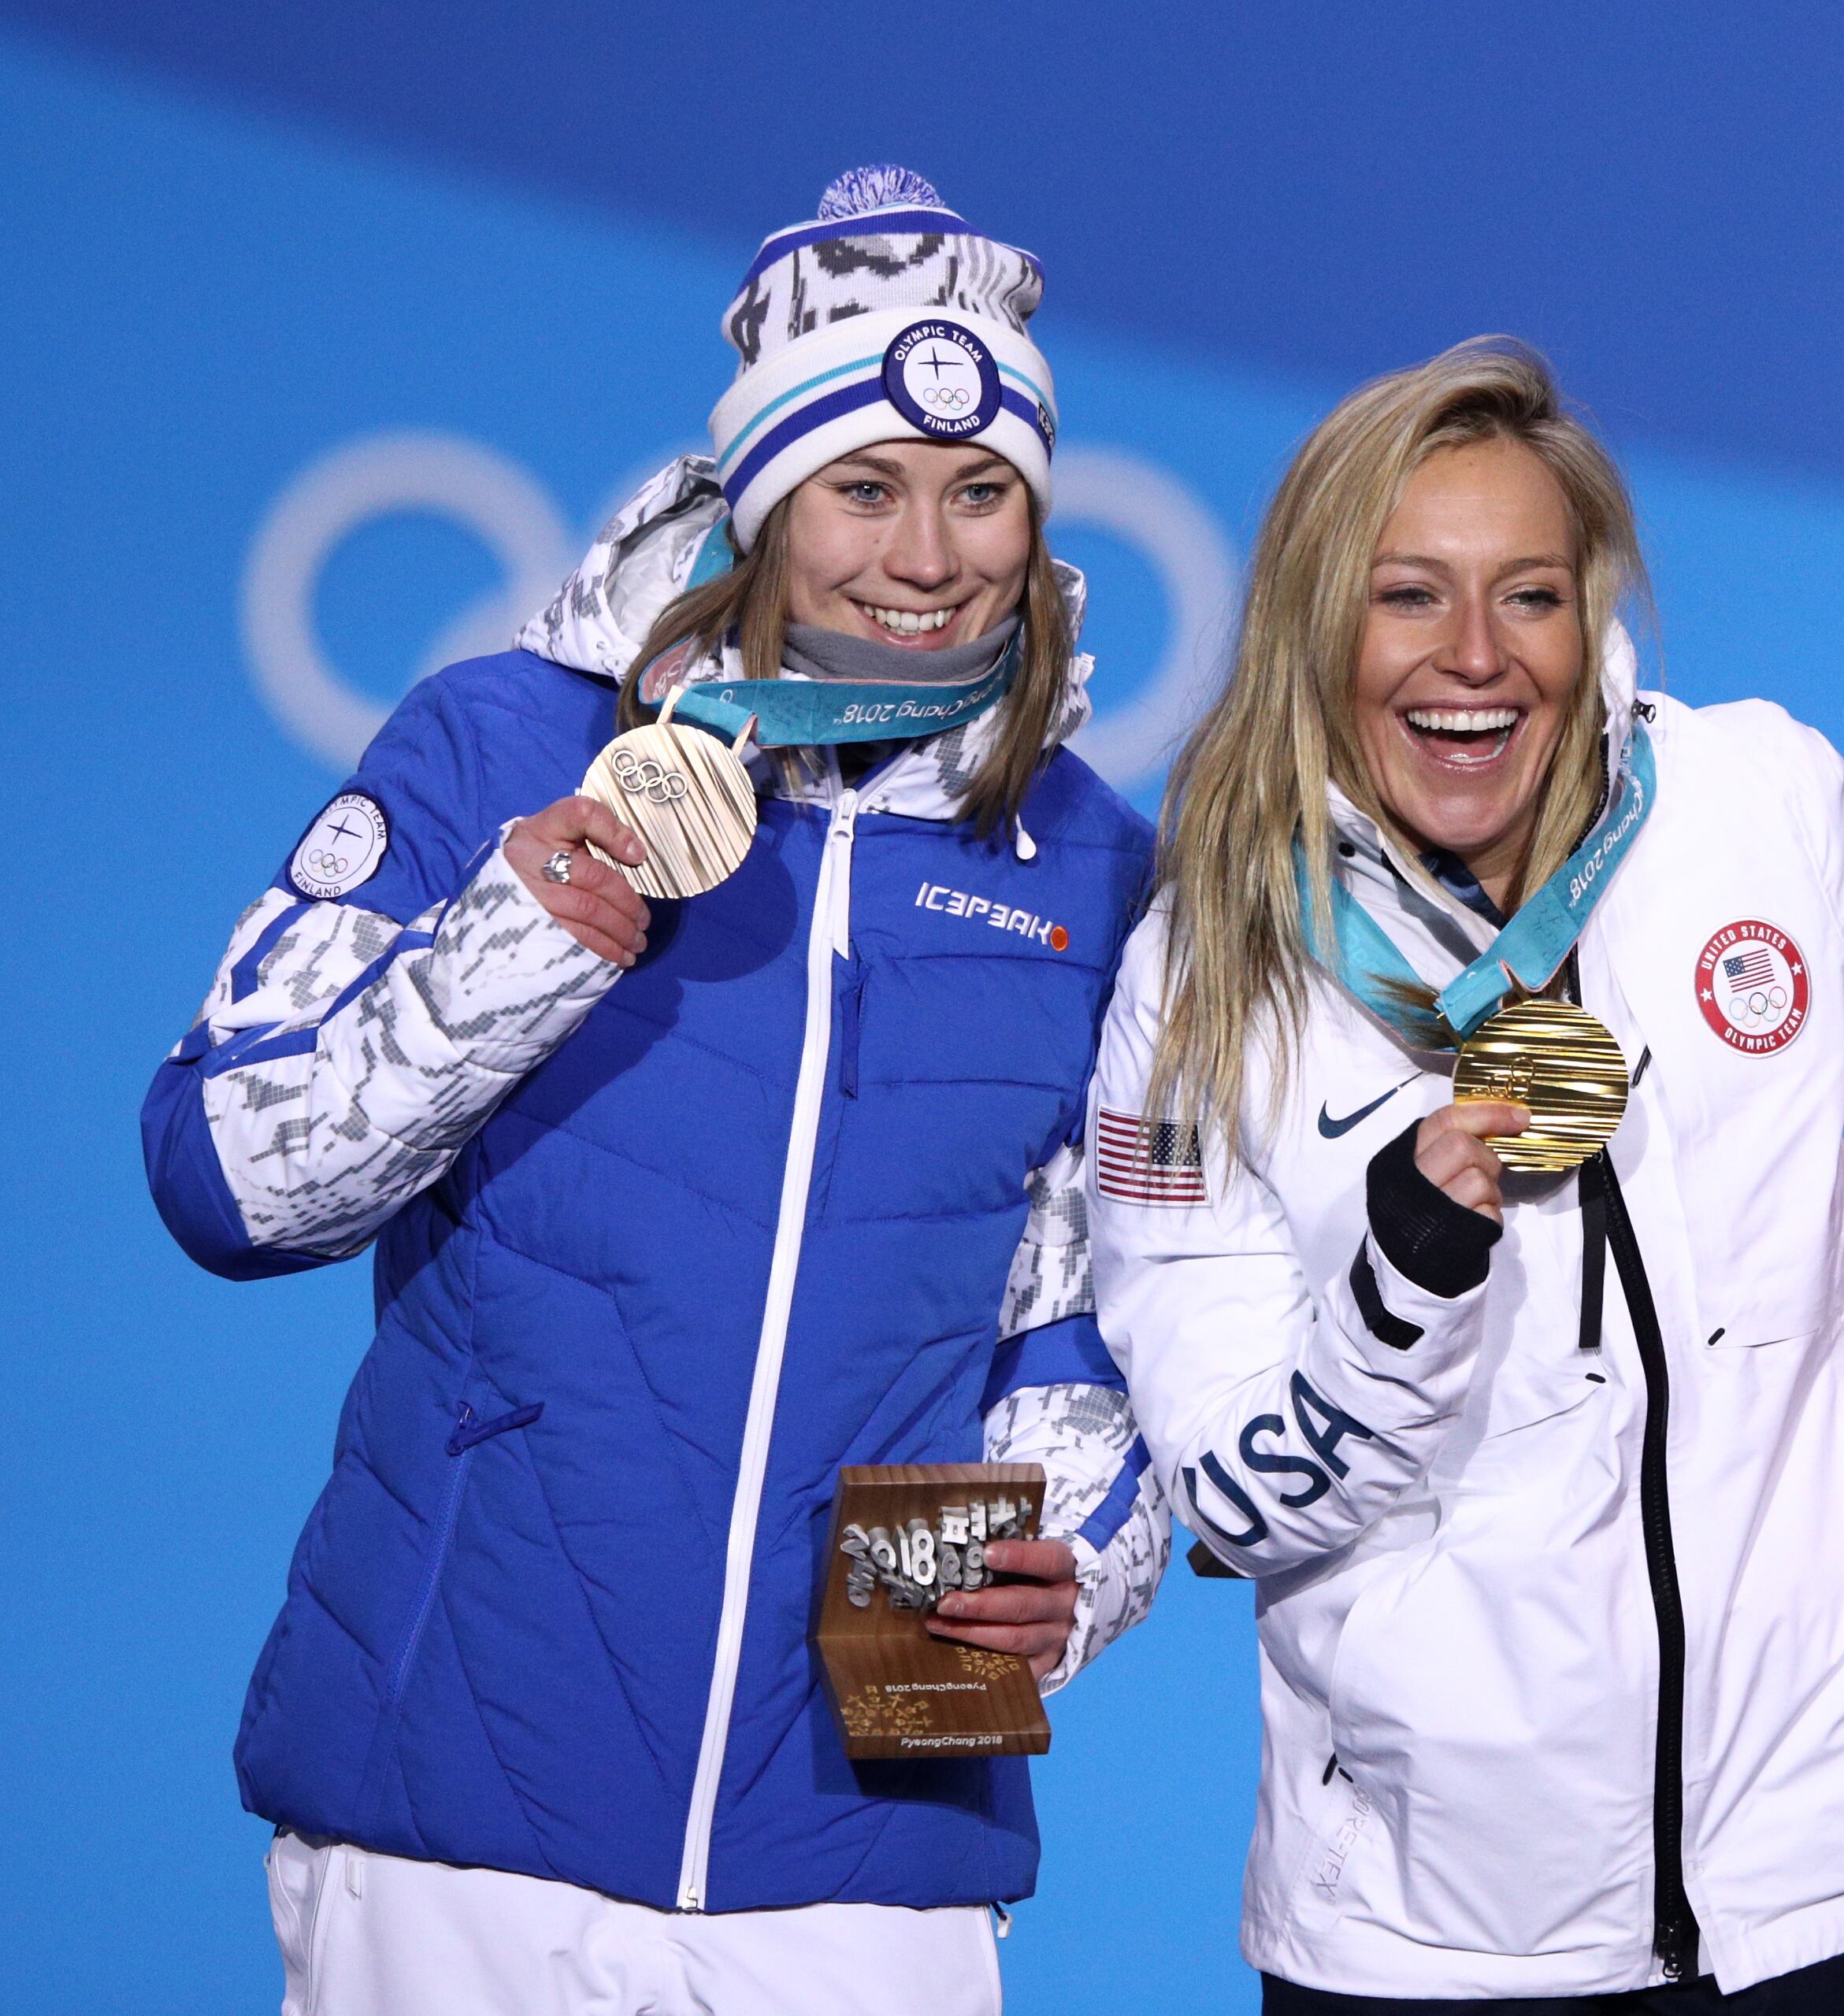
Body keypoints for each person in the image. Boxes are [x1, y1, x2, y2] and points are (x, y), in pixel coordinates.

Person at [141, 167, 1165, 2016]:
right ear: (764, 501)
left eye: (981, 492)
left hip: (869, 1839)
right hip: (452, 1816)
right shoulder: (513, 738)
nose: (926, 555)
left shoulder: (1090, 862)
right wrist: (518, 937)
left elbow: (1101, 1313)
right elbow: (224, 1174)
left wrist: (1069, 1550)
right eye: (865, 487)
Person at [1087, 341, 1844, 2011]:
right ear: (1314, 624)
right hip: (1427, 1929)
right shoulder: (1213, 983)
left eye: (1531, 596)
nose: (1475, 660)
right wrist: (1404, 1280)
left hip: (1822, 1870)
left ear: (1594, 611)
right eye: (1408, 596)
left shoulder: (1764, 802)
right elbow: (1236, 1497)